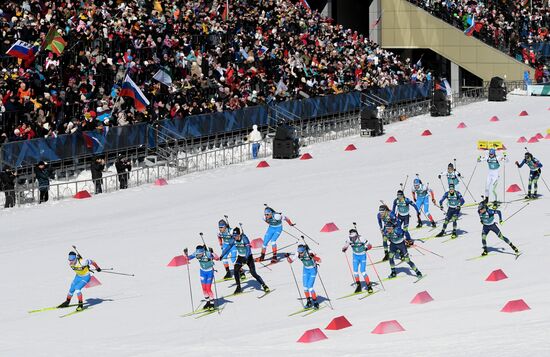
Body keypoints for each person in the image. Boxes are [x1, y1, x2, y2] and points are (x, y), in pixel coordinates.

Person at [220, 227, 269, 295]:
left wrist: (246, 259)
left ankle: (264, 285)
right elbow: (228, 247)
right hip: (240, 257)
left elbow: (248, 250)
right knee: (235, 270)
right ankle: (238, 287)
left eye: (236, 236)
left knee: (253, 273)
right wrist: (222, 255)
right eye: (234, 236)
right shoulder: (233, 239)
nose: (235, 237)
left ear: (239, 235)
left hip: (248, 257)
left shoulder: (244, 239)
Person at [286, 244, 321, 309]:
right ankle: (309, 302)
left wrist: (313, 257)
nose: (300, 254)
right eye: (299, 252)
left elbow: (320, 260)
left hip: (313, 270)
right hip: (305, 270)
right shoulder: (298, 253)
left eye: (301, 252)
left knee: (310, 287)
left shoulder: (310, 252)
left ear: (304, 251)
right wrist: (288, 257)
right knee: (305, 287)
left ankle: (315, 303)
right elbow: (290, 261)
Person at [184, 245, 219, 310]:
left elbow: (217, 258)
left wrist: (213, 253)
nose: (198, 256)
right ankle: (208, 302)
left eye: (200, 254)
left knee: (208, 288)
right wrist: (186, 255)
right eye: (198, 254)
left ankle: (212, 304)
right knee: (204, 288)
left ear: (203, 252)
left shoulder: (208, 254)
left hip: (209, 272)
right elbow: (188, 258)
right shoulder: (196, 253)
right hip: (202, 272)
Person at [342, 229, 373, 293]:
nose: (352, 239)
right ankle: (359, 286)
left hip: (362, 256)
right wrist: (344, 249)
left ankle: (369, 286)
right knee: (355, 272)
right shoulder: (349, 239)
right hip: (355, 256)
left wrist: (367, 248)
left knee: (363, 271)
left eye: (354, 237)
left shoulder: (361, 238)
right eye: (351, 237)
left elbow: (370, 245)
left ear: (356, 236)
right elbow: (346, 245)